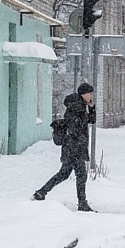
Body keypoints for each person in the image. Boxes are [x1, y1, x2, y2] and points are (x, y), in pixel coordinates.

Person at [32, 82, 96, 212]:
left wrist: (91, 107)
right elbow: (74, 128)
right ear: (83, 94)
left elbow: (91, 120)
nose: (91, 96)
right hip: (74, 148)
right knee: (81, 175)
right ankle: (82, 203)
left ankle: (41, 192)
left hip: (73, 147)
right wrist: (80, 140)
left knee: (63, 174)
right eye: (90, 93)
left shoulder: (81, 106)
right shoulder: (76, 107)